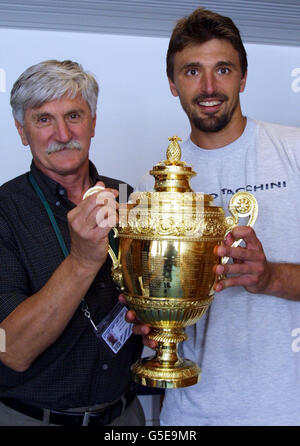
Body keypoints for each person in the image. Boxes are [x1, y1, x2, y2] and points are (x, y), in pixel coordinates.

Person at [127, 8, 300, 426]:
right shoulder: (156, 188)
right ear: (172, 83)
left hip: (287, 409)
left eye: (223, 69)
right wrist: (150, 320)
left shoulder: (293, 152)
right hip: (192, 414)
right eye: (191, 71)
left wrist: (270, 277)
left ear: (243, 78)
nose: (208, 87)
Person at [0, 60, 145, 426]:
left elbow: (150, 301)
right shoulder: (4, 210)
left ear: (93, 121)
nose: (62, 133)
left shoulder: (130, 198)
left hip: (124, 417)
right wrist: (81, 261)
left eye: (74, 116)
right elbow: (10, 349)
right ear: (22, 130)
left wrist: (157, 324)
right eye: (44, 119)